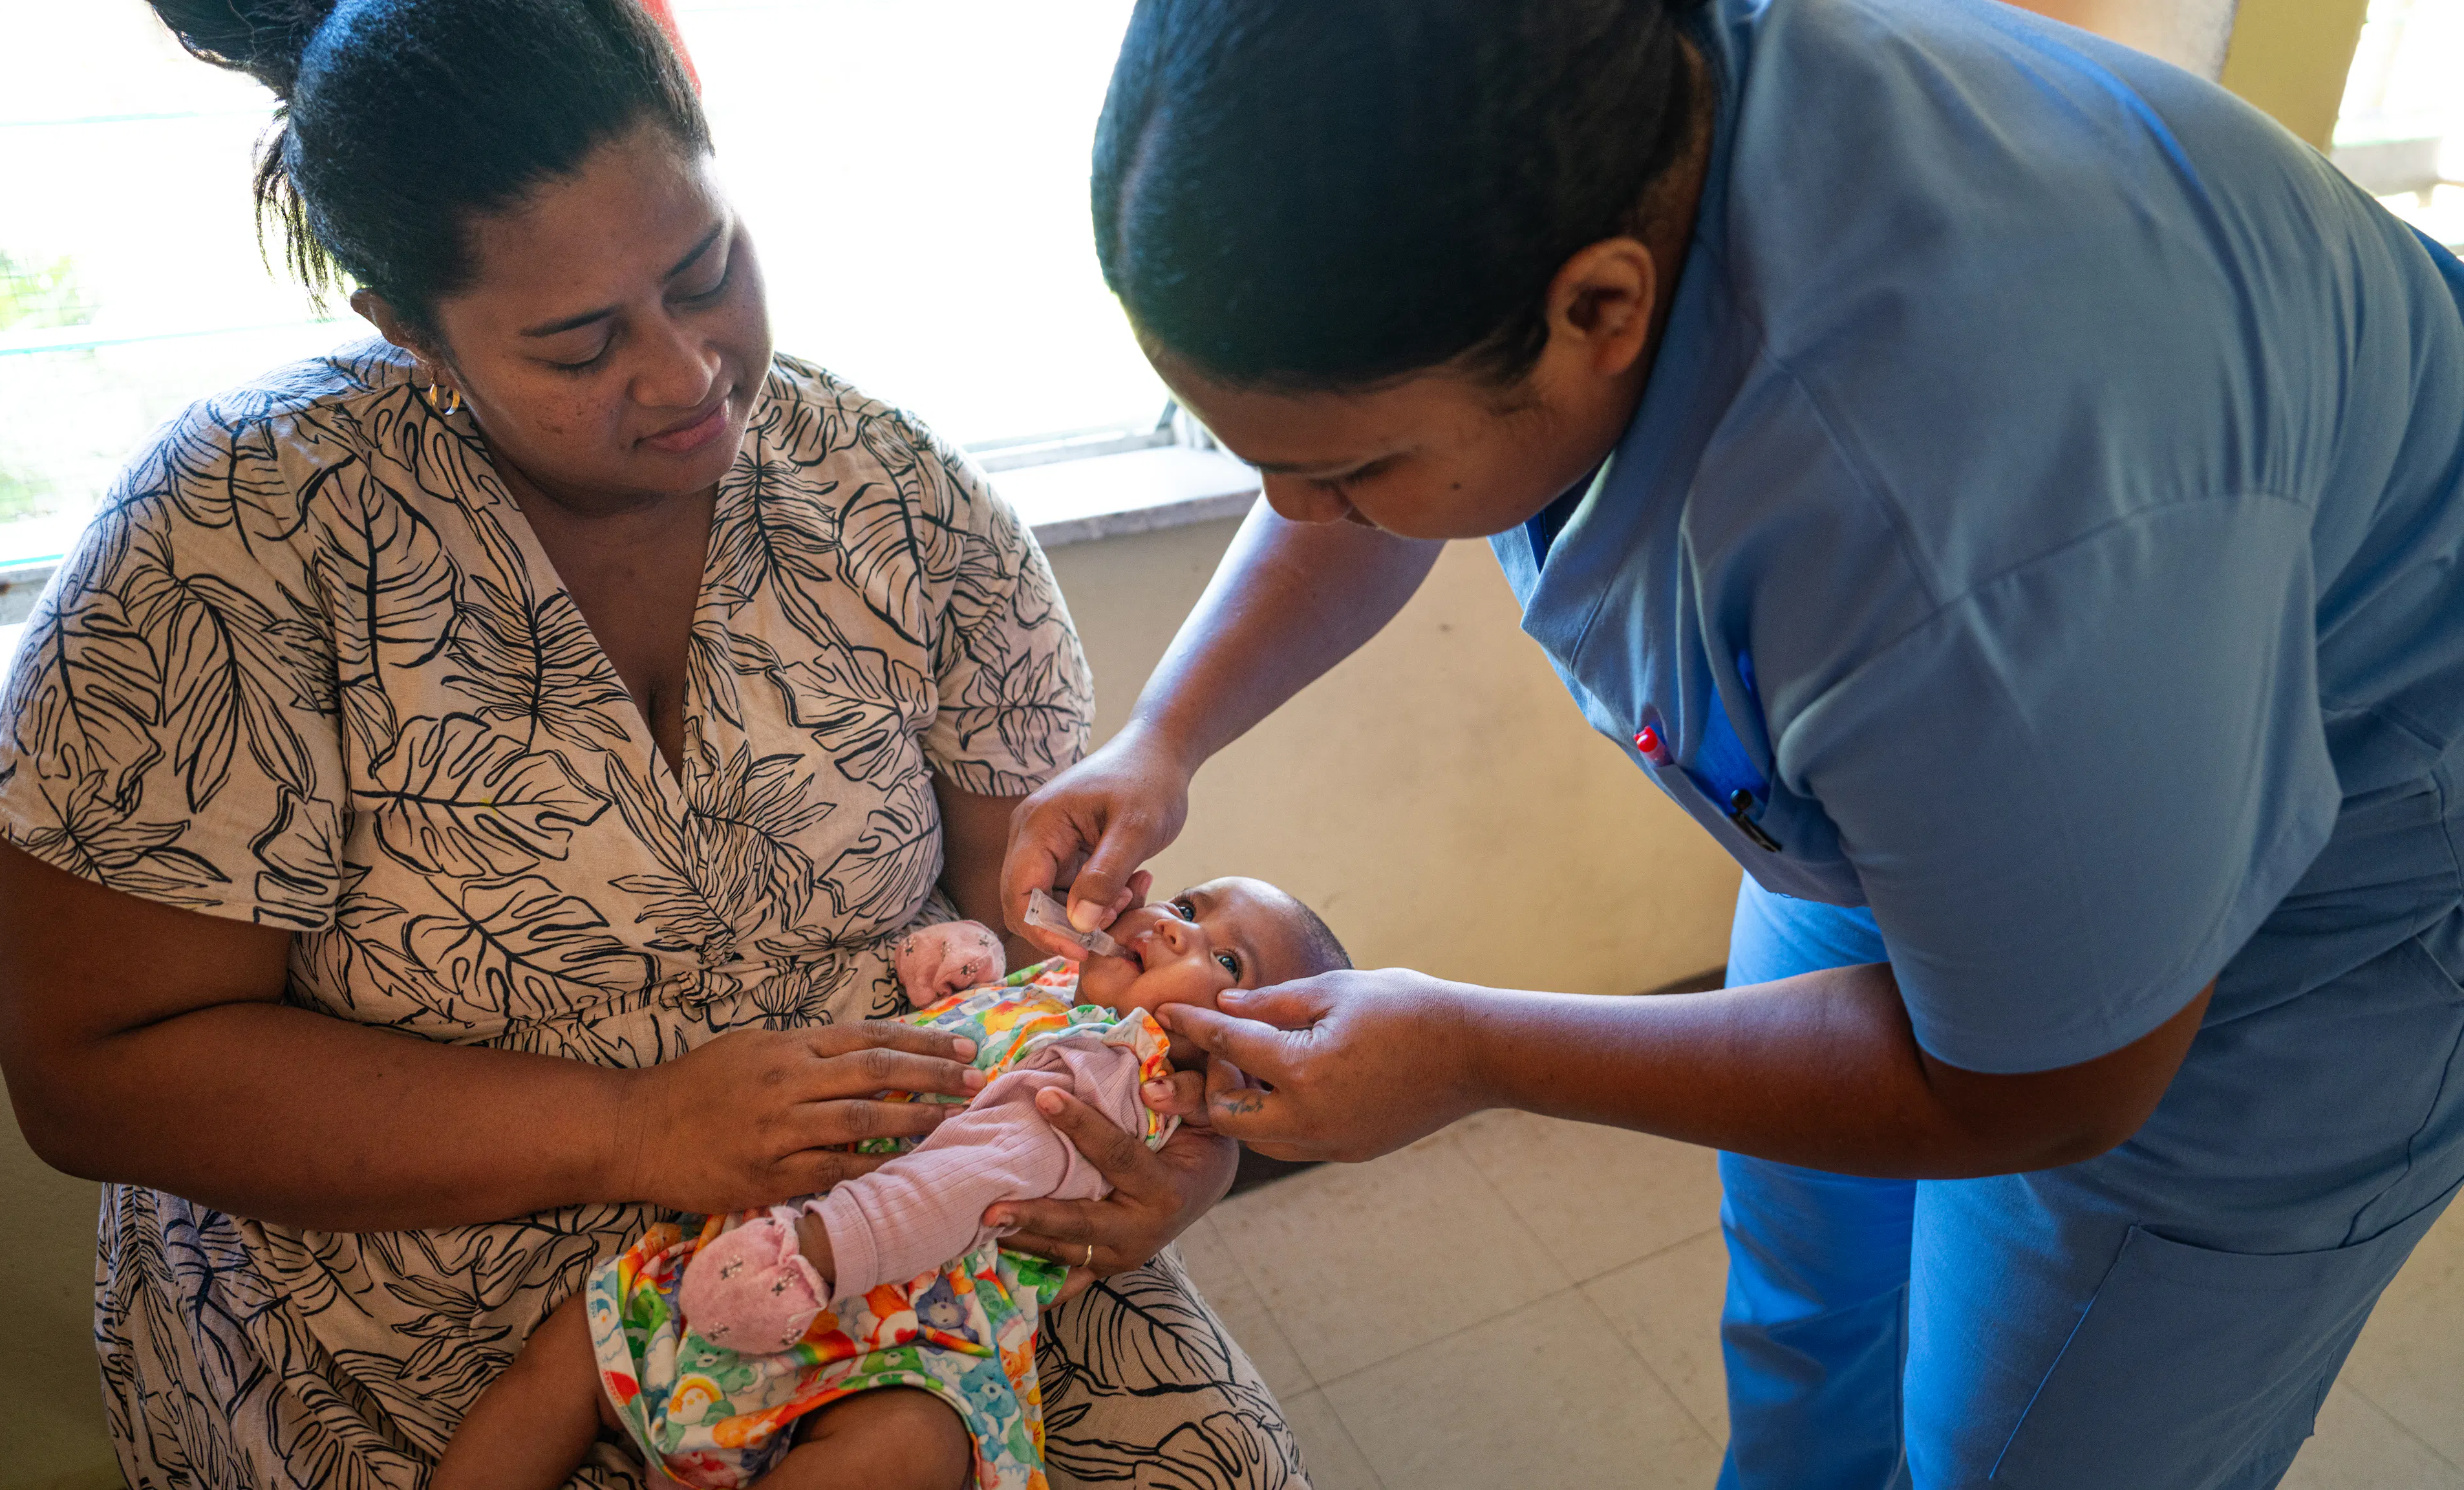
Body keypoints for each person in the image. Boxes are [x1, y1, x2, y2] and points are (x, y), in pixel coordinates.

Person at [1001, 0, 2464, 1485]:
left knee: (2024, 1450)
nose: (1308, 511)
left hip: (2323, 905)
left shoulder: (1962, 538)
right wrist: (1163, 735)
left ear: (1599, 312)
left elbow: (2056, 1084)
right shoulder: (1574, 140)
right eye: (1274, 470)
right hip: (1959, 751)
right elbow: (1380, 441)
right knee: (1807, 1326)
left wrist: (1476, 1050)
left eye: (1351, 472)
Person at [0, 2, 1307, 1485]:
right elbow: (93, 1073)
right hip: (417, 1290)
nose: (687, 375)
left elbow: (1063, 939)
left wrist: (1178, 1157)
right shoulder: (233, 544)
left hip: (921, 1237)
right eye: (579, 341)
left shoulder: (896, 500)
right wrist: (631, 1127)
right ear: (408, 327)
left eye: (707, 272)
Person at [434, 878, 1349, 1490]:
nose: (1172, 927)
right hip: (782, 1249)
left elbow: (965, 1179)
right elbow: (967, 1046)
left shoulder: (1108, 1076)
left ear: (1237, 1051)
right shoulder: (1070, 994)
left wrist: (820, 1254)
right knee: (563, 1353)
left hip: (890, 1315)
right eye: (1191, 903)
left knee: (905, 1447)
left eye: (1226, 961)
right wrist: (961, 978)